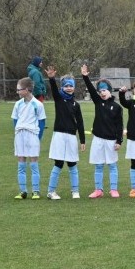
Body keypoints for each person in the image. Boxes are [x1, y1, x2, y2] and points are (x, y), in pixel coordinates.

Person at [82, 63, 123, 198]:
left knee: (112, 165)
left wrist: (119, 141)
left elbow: (119, 125)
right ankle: (98, 190)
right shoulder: (98, 102)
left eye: (104, 90)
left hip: (111, 140)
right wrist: (85, 77)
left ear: (110, 91)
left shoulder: (117, 107)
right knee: (98, 165)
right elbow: (91, 89)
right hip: (98, 139)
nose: (102, 93)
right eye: (100, 91)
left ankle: (113, 189)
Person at [45, 67, 86, 199]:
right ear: (62, 87)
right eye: (66, 86)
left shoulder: (76, 105)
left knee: (72, 164)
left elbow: (80, 123)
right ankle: (51, 191)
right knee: (58, 164)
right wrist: (51, 78)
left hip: (72, 137)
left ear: (74, 87)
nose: (69, 88)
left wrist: (83, 140)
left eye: (71, 86)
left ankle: (75, 191)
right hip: (59, 136)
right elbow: (54, 89)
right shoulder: (59, 99)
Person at [12, 76, 47, 199]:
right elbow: (15, 120)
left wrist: (38, 137)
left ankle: (35, 191)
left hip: (32, 134)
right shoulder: (17, 104)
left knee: (33, 163)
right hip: (20, 134)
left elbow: (42, 122)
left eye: (19, 89)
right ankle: (23, 191)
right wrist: (17, 132)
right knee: (21, 163)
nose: (17, 92)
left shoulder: (38, 104)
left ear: (26, 90)